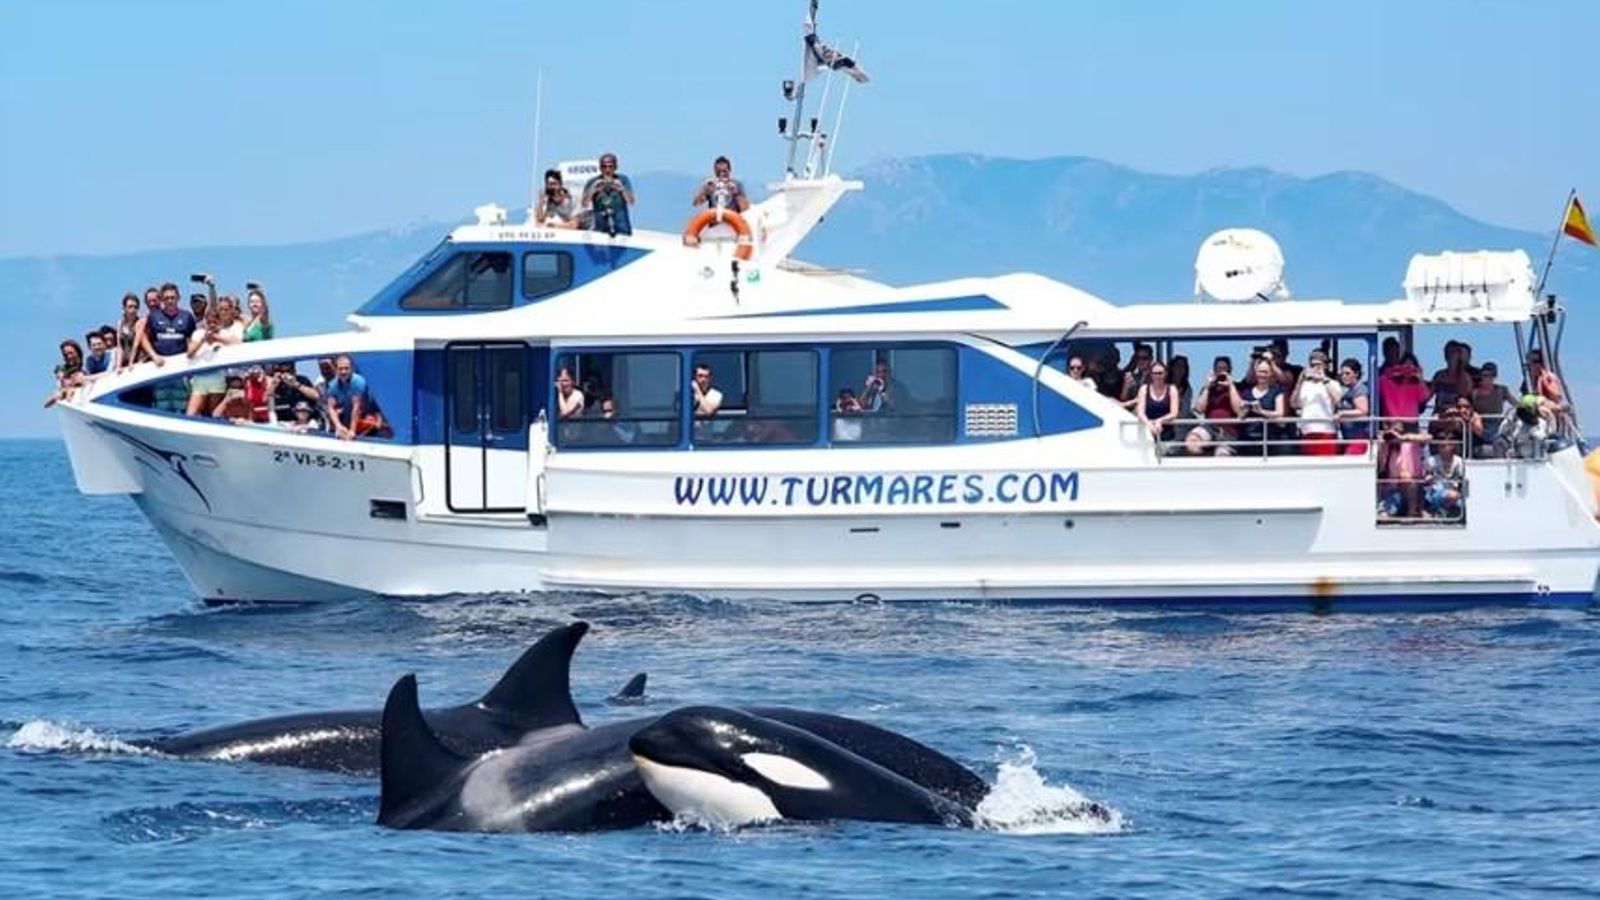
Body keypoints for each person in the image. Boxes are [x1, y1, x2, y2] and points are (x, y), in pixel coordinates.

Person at [140, 283, 198, 412]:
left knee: (182, 403)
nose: (170, 301)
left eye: (173, 297)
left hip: (181, 368)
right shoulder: (154, 316)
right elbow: (143, 337)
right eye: (166, 298)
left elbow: (193, 340)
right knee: (162, 404)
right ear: (161, 300)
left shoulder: (187, 317)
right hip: (160, 368)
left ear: (178, 298)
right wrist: (153, 356)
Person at [186, 295, 244, 416]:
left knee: (214, 415)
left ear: (219, 322)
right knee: (191, 414)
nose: (211, 325)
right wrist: (203, 340)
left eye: (214, 322)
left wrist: (217, 338)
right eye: (209, 322)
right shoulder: (198, 333)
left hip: (218, 379)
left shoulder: (224, 333)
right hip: (199, 379)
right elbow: (190, 354)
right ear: (205, 322)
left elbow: (238, 344)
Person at [1183, 356, 1238, 456]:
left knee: (1222, 455)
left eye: (1224, 369)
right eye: (1218, 369)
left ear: (1230, 370)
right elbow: (1199, 409)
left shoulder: (1236, 387)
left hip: (1229, 431)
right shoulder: (1207, 388)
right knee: (1192, 441)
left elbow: (1239, 410)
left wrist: (1231, 386)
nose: (1221, 372)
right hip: (1210, 428)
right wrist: (1208, 387)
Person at [1291, 350, 1342, 456]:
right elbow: (1294, 404)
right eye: (1312, 365)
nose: (1315, 368)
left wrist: (1323, 379)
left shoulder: (1333, 383)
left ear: (1325, 366)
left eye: (1318, 365)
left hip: (1326, 431)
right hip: (1306, 431)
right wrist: (1299, 381)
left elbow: (1337, 400)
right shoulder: (1305, 385)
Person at [1230, 359, 1285, 455]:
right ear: (1256, 373)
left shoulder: (1277, 391)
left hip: (1269, 441)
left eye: (1265, 372)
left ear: (1271, 373)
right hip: (1247, 440)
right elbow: (1239, 417)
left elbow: (1280, 414)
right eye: (1260, 371)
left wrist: (1261, 411)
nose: (1262, 375)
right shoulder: (1246, 392)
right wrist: (1244, 410)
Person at [1377, 419, 1428, 518]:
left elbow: (1428, 437)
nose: (1396, 434)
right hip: (1392, 490)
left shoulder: (1410, 443)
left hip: (1412, 489)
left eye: (1399, 430)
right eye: (1394, 430)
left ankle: (1412, 513)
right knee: (1384, 516)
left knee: (1405, 476)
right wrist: (1386, 438)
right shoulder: (1386, 445)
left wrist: (1403, 438)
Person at [581, 152, 635, 236]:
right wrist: (593, 190)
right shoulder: (592, 182)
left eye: (610, 166)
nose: (607, 170)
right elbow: (584, 204)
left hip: (622, 228)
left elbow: (631, 201)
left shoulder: (623, 179)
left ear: (615, 167)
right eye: (604, 167)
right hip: (600, 229)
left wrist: (621, 189)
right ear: (600, 167)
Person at [324, 354, 374, 441]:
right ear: (336, 369)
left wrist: (352, 430)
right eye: (340, 369)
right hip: (347, 415)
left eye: (346, 368)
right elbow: (331, 407)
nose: (343, 371)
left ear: (352, 368)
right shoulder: (332, 385)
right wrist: (338, 426)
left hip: (366, 416)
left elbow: (356, 408)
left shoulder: (358, 381)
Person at [1468, 361, 1515, 452]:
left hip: (1497, 425)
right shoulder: (1474, 393)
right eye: (1484, 375)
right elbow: (1469, 408)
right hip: (1481, 424)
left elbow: (1515, 403)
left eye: (1490, 375)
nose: (1487, 378)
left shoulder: (1502, 390)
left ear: (1495, 377)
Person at [1377, 352, 1431, 430]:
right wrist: (1394, 372)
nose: (1408, 369)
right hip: (1393, 422)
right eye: (1405, 365)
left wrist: (1421, 379)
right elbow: (1380, 383)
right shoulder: (1388, 381)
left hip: (1411, 422)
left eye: (1411, 366)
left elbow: (1424, 398)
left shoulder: (1416, 384)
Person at [1333, 358, 1371, 455]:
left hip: (1359, 438)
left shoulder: (1359, 389)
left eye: (1347, 373)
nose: (1344, 376)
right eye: (1342, 374)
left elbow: (1363, 411)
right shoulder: (1348, 391)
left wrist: (1342, 414)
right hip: (1348, 438)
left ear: (1356, 374)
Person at [1422, 435, 1466, 520]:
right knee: (1452, 496)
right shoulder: (1432, 460)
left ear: (1452, 446)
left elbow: (1462, 481)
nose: (1443, 448)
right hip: (1436, 493)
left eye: (1446, 446)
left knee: (1462, 504)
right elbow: (1427, 477)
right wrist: (1428, 478)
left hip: (1455, 493)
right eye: (1441, 446)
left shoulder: (1459, 461)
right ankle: (1438, 511)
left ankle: (1442, 512)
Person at [1134, 361, 1178, 444]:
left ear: (1165, 374)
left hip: (1167, 436)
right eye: (1155, 373)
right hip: (1146, 434)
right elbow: (1140, 413)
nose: (1158, 376)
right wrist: (1149, 425)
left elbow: (1174, 413)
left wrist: (1160, 421)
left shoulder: (1172, 389)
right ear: (1151, 374)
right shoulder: (1144, 389)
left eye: (1160, 373)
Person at [1428, 340, 1474, 414]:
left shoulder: (1466, 377)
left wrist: (1460, 367)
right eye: (1448, 353)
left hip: (1456, 415)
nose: (1451, 356)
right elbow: (1428, 395)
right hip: (1439, 414)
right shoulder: (1439, 375)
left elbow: (1465, 395)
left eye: (1454, 353)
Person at [43, 339, 86, 407]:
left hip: (81, 395)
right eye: (65, 355)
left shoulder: (86, 365)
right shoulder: (62, 369)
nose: (69, 356)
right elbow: (45, 405)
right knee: (57, 395)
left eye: (71, 353)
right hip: (65, 394)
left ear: (77, 352)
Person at [116, 293, 145, 369]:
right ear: (124, 308)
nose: (133, 310)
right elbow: (120, 347)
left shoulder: (140, 322)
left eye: (135, 307)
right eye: (130, 307)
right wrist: (118, 366)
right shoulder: (120, 323)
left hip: (138, 361)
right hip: (125, 362)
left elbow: (136, 344)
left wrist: (130, 363)